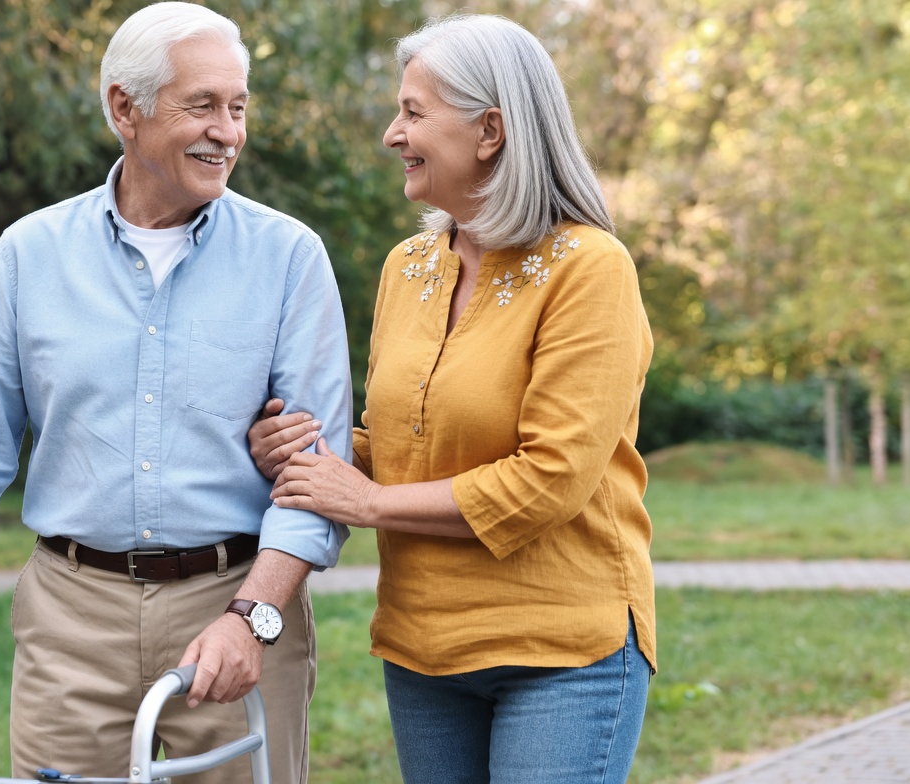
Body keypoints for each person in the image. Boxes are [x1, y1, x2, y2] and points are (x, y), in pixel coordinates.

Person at [0, 3, 352, 782]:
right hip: (70, 618)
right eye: (202, 105)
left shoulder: (288, 257)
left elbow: (317, 477)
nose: (227, 132)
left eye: (238, 107)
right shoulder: (30, 253)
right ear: (125, 108)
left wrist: (251, 619)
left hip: (234, 597)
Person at [249, 14, 655, 784]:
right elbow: (395, 444)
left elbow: (551, 479)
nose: (392, 134)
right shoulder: (408, 267)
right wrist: (305, 452)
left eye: (413, 111)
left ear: (490, 130)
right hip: (422, 648)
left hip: (561, 652)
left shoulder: (590, 268)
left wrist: (367, 502)